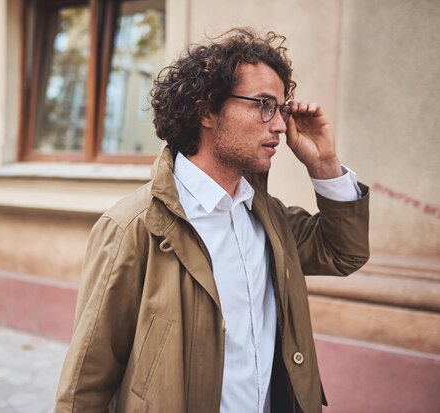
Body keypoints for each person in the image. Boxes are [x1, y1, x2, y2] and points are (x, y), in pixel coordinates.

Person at [55, 28, 369, 413]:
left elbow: (344, 253)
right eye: (264, 105)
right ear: (206, 110)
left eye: (282, 109)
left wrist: (324, 164)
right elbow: (86, 383)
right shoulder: (132, 228)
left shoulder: (267, 216)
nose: (281, 126)